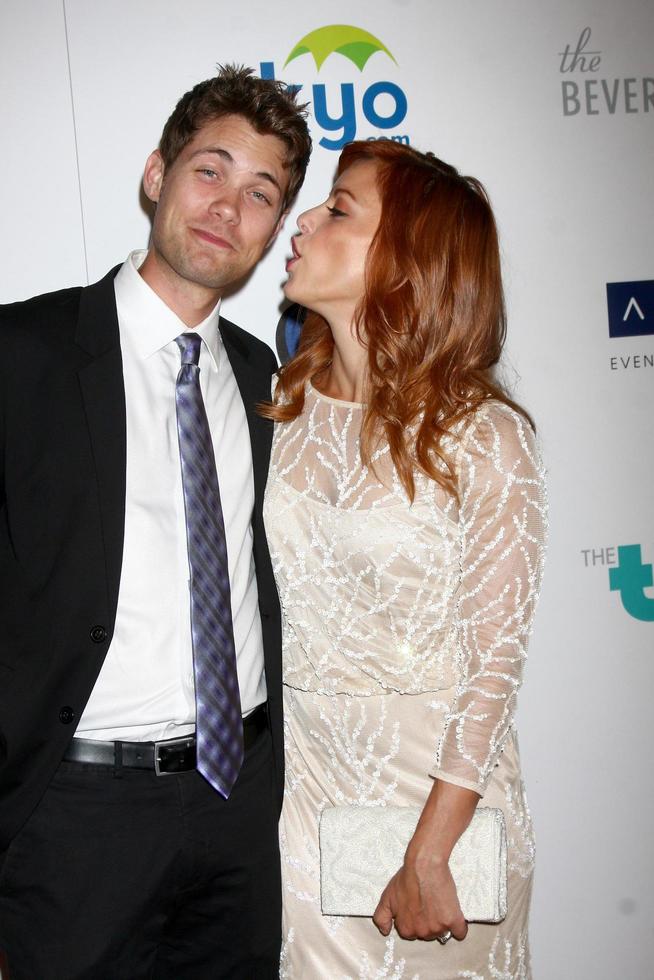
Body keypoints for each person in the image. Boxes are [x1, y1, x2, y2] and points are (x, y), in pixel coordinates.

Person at [0, 65, 310, 980]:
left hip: (241, 807)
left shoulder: (268, 383)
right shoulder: (24, 357)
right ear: (155, 175)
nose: (229, 208)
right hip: (73, 818)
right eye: (210, 170)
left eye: (263, 194)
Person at [262, 140, 547, 978]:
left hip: (444, 824)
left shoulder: (485, 436)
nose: (303, 218)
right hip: (307, 817)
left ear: (405, 260)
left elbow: (494, 667)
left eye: (339, 208)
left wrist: (428, 853)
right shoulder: (278, 408)